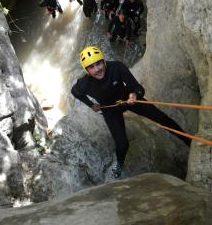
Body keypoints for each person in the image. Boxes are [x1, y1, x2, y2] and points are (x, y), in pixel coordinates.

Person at [71, 47, 191, 178]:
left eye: (99, 63)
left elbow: (137, 87)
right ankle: (119, 164)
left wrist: (134, 94)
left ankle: (189, 141)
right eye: (92, 67)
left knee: (162, 119)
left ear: (104, 61)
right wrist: (91, 105)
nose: (97, 69)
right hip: (110, 110)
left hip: (128, 98)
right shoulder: (84, 84)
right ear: (86, 71)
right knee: (122, 145)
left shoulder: (116, 67)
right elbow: (75, 92)